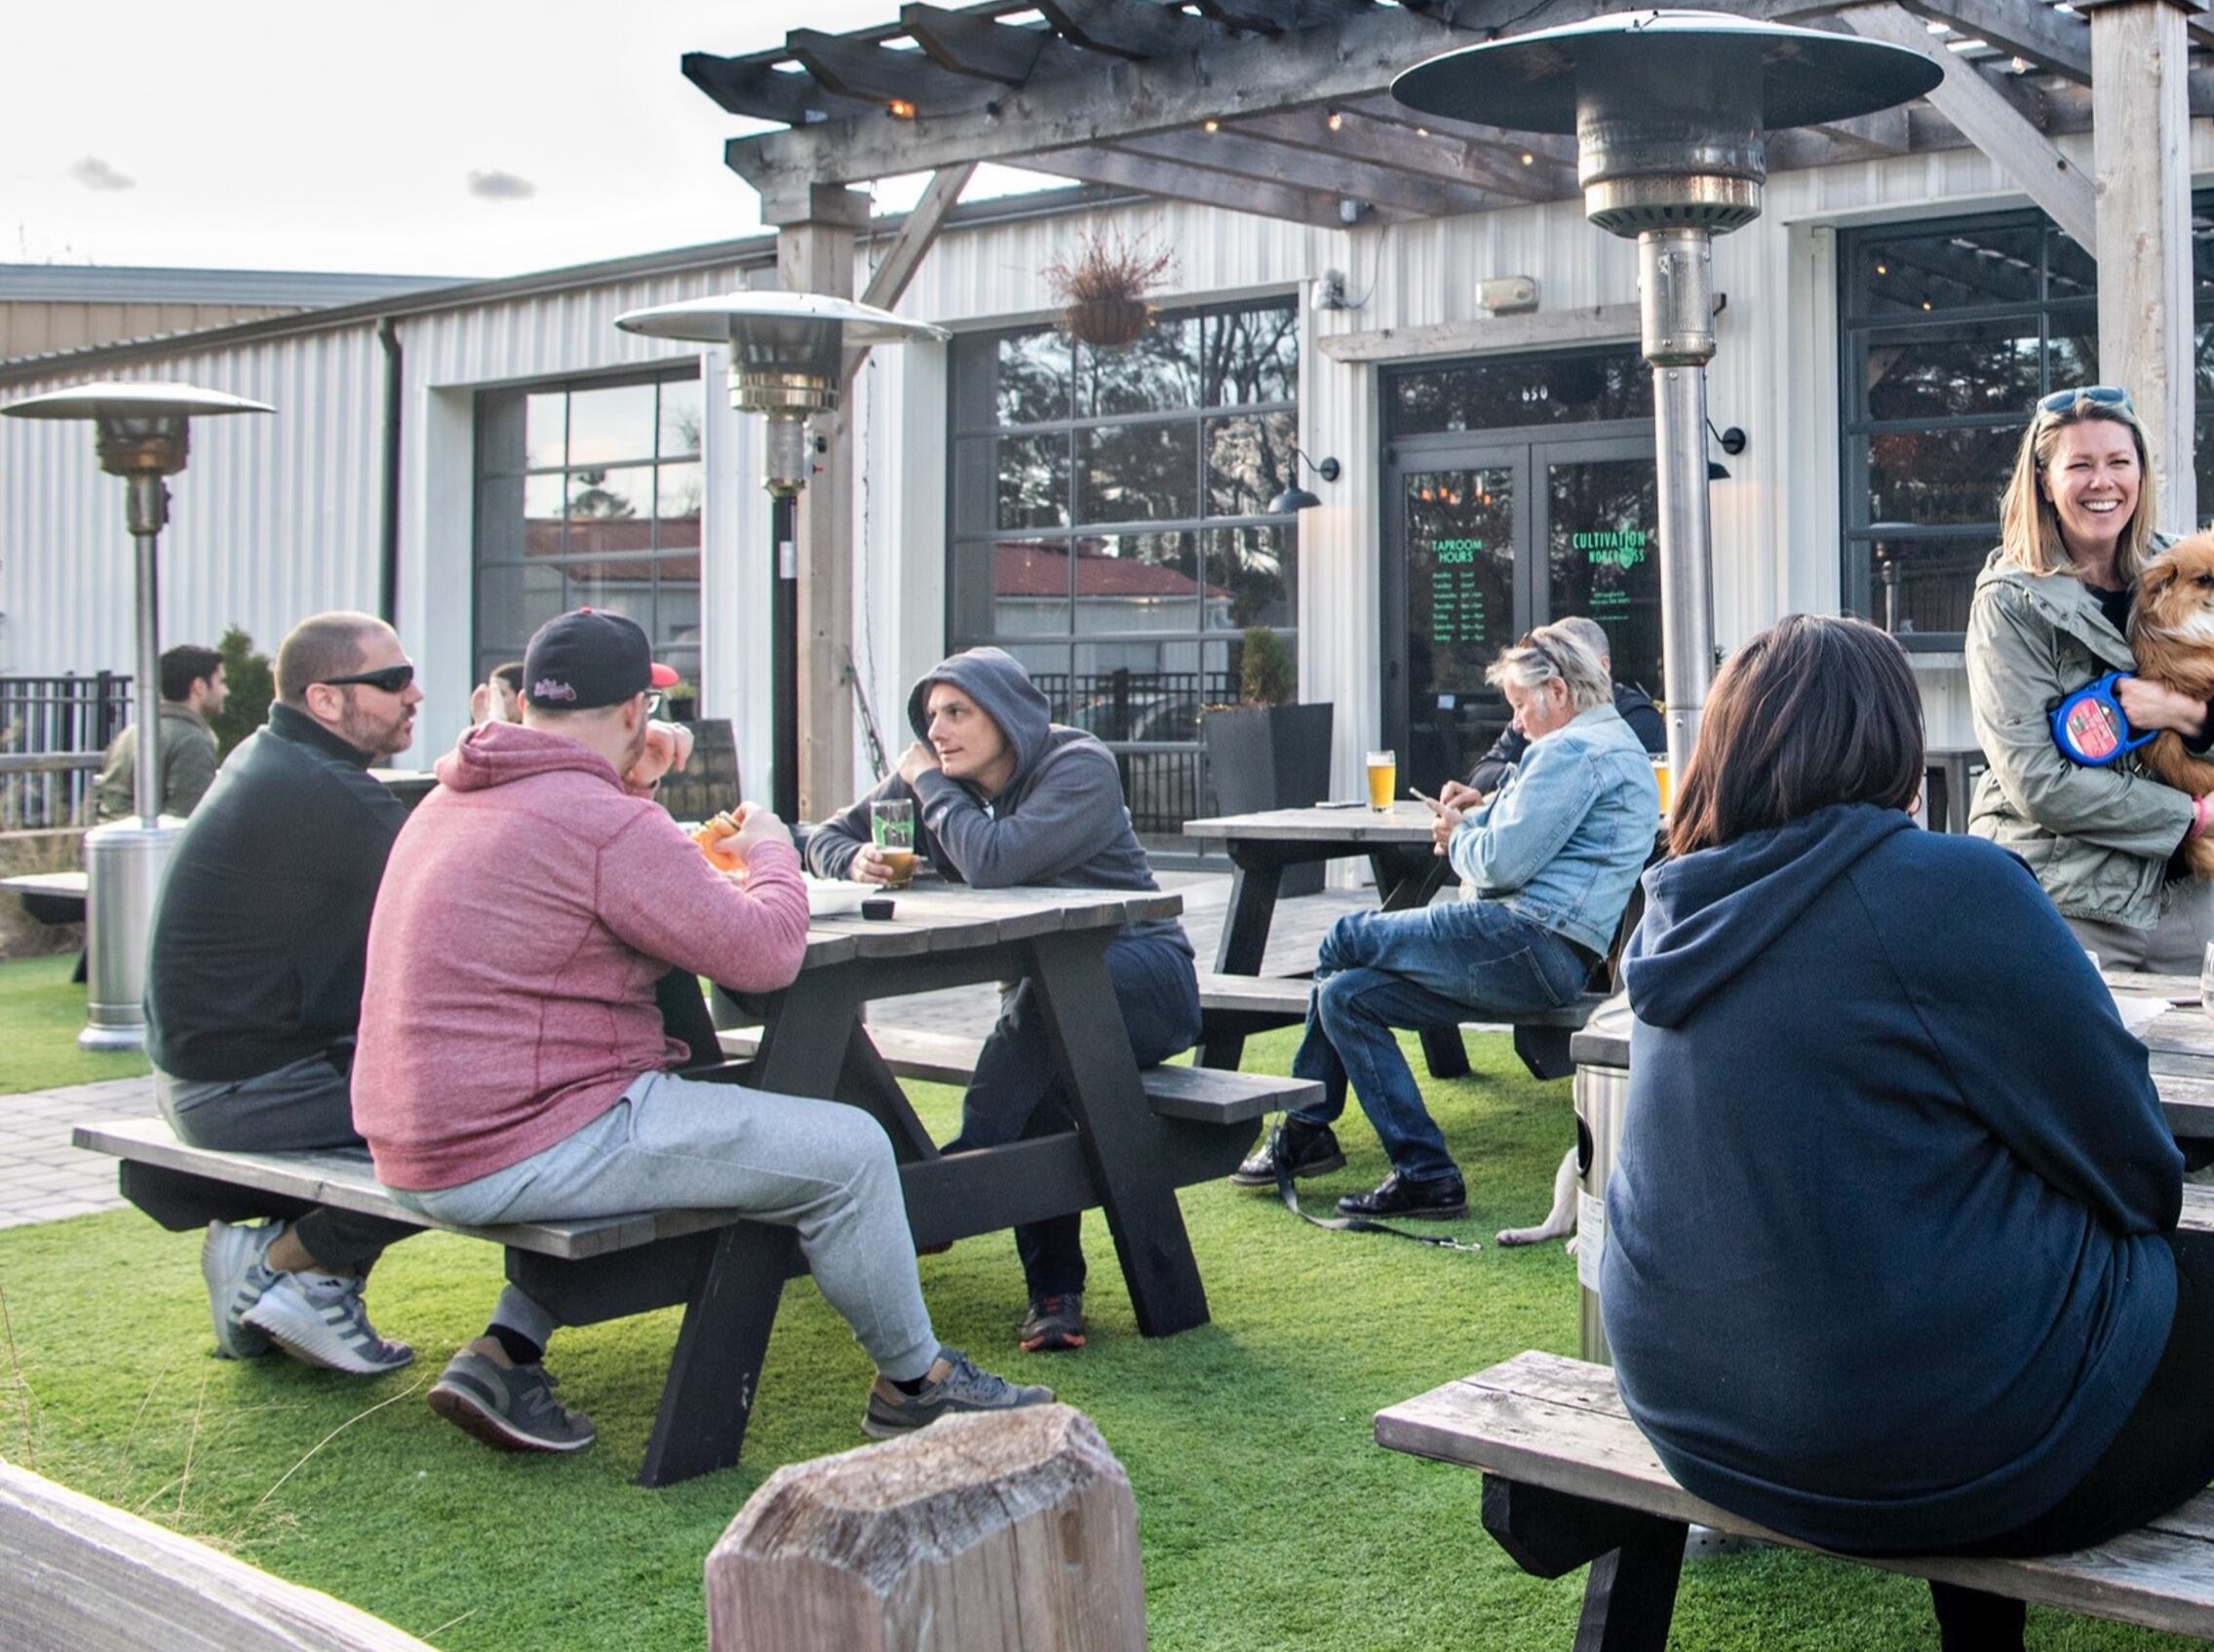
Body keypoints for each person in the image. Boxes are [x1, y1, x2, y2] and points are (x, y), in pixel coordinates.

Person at [1599, 615, 2214, 1636]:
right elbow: (2135, 1172)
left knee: (1954, 1267)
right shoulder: (1948, 886)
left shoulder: (1675, 906)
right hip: (1917, 1436)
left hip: (1695, 1418)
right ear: (1892, 743)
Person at [357, 608, 1054, 1455]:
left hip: (418, 1138)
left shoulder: (453, 796)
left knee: (730, 1116)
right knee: (850, 1150)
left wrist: (632, 794)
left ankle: (509, 1348)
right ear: (630, 716)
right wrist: (770, 848)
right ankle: (919, 1385)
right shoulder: (601, 819)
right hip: (521, 1140)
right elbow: (762, 955)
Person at [807, 647, 1204, 1354]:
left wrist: (928, 786)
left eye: (957, 713)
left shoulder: (1078, 766)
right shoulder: (940, 783)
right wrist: (853, 859)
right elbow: (826, 836)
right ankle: (1054, 1295)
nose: (938, 731)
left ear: (1009, 718)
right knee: (1045, 1074)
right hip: (1045, 1004)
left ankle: (947, 1191)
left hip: (1146, 976)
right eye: (931, 716)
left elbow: (996, 858)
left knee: (1042, 1023)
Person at [1232, 625, 1655, 1220]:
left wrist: (1459, 837)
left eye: (1518, 705)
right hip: (1545, 949)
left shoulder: (1572, 751)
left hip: (1525, 938)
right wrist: (1483, 819)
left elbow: (1496, 864)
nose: (1516, 723)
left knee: (1343, 939)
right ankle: (1426, 1173)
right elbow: (1520, 846)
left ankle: (1305, 1128)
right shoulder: (1604, 743)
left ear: (1558, 692)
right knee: (1345, 996)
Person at [149, 613, 427, 1374]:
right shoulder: (323, 791)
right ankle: (278, 1262)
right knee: (475, 1125)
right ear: (327, 700)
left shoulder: (278, 760)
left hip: (224, 1073)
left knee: (434, 1085)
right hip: (243, 1090)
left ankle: (313, 1281)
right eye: (393, 681)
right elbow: (470, 895)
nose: (415, 693)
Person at [1962, 388, 2214, 974]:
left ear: (2141, 471)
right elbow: (2037, 781)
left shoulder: (2190, 566)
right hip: (2064, 897)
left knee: (2209, 1062)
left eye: (2119, 461)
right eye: (2079, 465)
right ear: (2043, 481)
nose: (2102, 482)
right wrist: (2188, 817)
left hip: (2183, 892)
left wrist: (2182, 711)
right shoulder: (2011, 601)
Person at [1452, 617, 1663, 797]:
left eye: (1567, 666)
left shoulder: (1630, 721)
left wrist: (1529, 783)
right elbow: (1481, 777)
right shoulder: (1532, 714)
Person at [90, 642, 223, 823]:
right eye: (221, 682)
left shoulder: (129, 734)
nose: (226, 691)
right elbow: (189, 824)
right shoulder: (192, 742)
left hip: (117, 843)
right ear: (199, 686)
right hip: (155, 848)